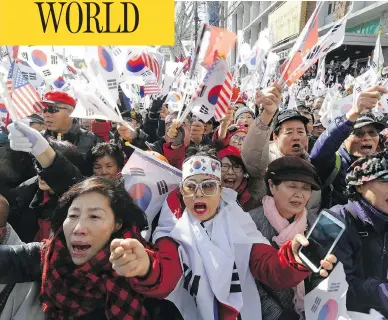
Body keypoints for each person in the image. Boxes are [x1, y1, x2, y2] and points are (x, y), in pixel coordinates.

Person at [119, 145, 336, 320]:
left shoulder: (240, 222)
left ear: (221, 191)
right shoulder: (172, 231)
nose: (199, 194)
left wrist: (294, 258)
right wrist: (146, 267)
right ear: (182, 192)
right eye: (191, 187)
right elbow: (166, 275)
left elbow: (269, 268)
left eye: (209, 186)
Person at [0, 177, 157, 319]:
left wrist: (146, 270)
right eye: (73, 216)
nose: (78, 228)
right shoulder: (50, 254)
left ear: (117, 224)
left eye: (94, 216)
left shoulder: (140, 276)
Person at [249, 156, 322, 319]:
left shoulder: (314, 223)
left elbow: (320, 274)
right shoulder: (249, 222)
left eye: (305, 188)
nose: (299, 194)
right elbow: (249, 282)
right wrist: (277, 315)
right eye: (292, 186)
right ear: (271, 186)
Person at [241, 84, 321, 214]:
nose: (296, 137)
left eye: (300, 132)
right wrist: (267, 114)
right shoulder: (266, 162)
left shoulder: (311, 168)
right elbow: (252, 156)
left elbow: (312, 210)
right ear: (276, 137)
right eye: (289, 132)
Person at [4, 121, 86, 242]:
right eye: (39, 165)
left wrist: (43, 151)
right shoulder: (22, 194)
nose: (42, 173)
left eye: (45, 166)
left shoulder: (82, 197)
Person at [329, 151, 388, 317]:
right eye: (385, 181)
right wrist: (378, 291)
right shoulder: (337, 219)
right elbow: (335, 286)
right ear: (359, 186)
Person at [310, 85, 388, 208]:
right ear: (343, 137)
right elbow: (319, 154)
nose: (367, 137)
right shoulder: (335, 164)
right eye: (359, 133)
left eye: (372, 132)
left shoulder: (383, 164)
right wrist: (353, 112)